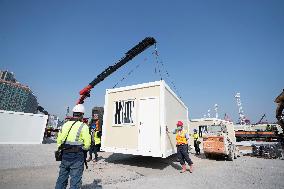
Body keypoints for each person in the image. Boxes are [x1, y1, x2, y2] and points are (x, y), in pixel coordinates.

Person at [55, 104, 91, 189]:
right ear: (82, 114)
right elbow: (87, 145)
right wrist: (83, 149)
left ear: (73, 113)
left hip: (65, 156)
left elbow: (59, 142)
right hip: (77, 157)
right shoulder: (84, 126)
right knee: (75, 181)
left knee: (61, 179)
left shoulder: (65, 125)